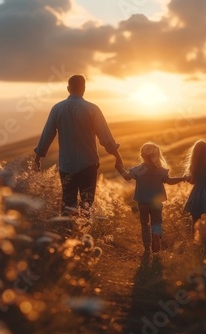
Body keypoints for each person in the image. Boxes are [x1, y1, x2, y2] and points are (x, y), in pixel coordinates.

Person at [33, 75, 123, 215]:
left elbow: (47, 135)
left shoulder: (57, 109)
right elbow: (105, 137)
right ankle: (83, 233)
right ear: (84, 89)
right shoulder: (92, 109)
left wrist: (37, 157)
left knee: (68, 205)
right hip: (88, 165)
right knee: (87, 204)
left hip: (66, 166)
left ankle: (67, 233)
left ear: (68, 89)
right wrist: (118, 157)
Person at [116, 142, 185, 254]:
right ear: (157, 155)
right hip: (156, 202)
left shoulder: (138, 170)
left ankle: (147, 248)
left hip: (142, 201)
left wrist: (120, 168)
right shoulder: (161, 170)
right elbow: (169, 181)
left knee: (144, 224)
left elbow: (127, 177)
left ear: (142, 155)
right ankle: (156, 234)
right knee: (156, 222)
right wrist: (182, 178)